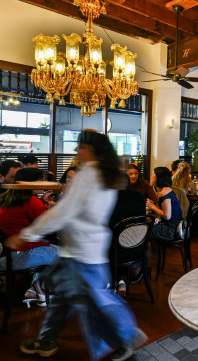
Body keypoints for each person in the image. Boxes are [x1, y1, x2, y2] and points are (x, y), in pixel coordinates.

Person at [6, 130, 146, 361]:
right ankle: (46, 340)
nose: (76, 151)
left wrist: (27, 234)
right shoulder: (107, 175)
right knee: (64, 298)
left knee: (94, 302)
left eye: (80, 146)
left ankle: (125, 336)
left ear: (90, 149)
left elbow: (63, 212)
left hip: (81, 252)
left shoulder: (88, 174)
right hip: (86, 249)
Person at [0, 167, 58, 307]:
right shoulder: (31, 201)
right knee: (68, 254)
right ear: (28, 182)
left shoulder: (8, 198)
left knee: (48, 245)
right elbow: (47, 227)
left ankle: (37, 291)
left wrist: (42, 202)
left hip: (5, 256)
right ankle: (45, 291)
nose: (44, 183)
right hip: (19, 257)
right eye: (40, 180)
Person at [108, 174, 146, 297]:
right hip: (137, 248)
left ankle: (113, 282)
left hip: (115, 250)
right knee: (120, 238)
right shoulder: (139, 197)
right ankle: (122, 281)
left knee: (109, 240)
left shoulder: (110, 198)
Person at [147, 167, 182, 242]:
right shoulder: (166, 190)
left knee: (144, 229)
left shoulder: (164, 192)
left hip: (171, 231)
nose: (151, 177)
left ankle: (142, 253)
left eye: (153, 174)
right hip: (173, 227)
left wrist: (152, 206)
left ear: (159, 178)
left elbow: (167, 216)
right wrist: (159, 218)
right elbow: (167, 211)